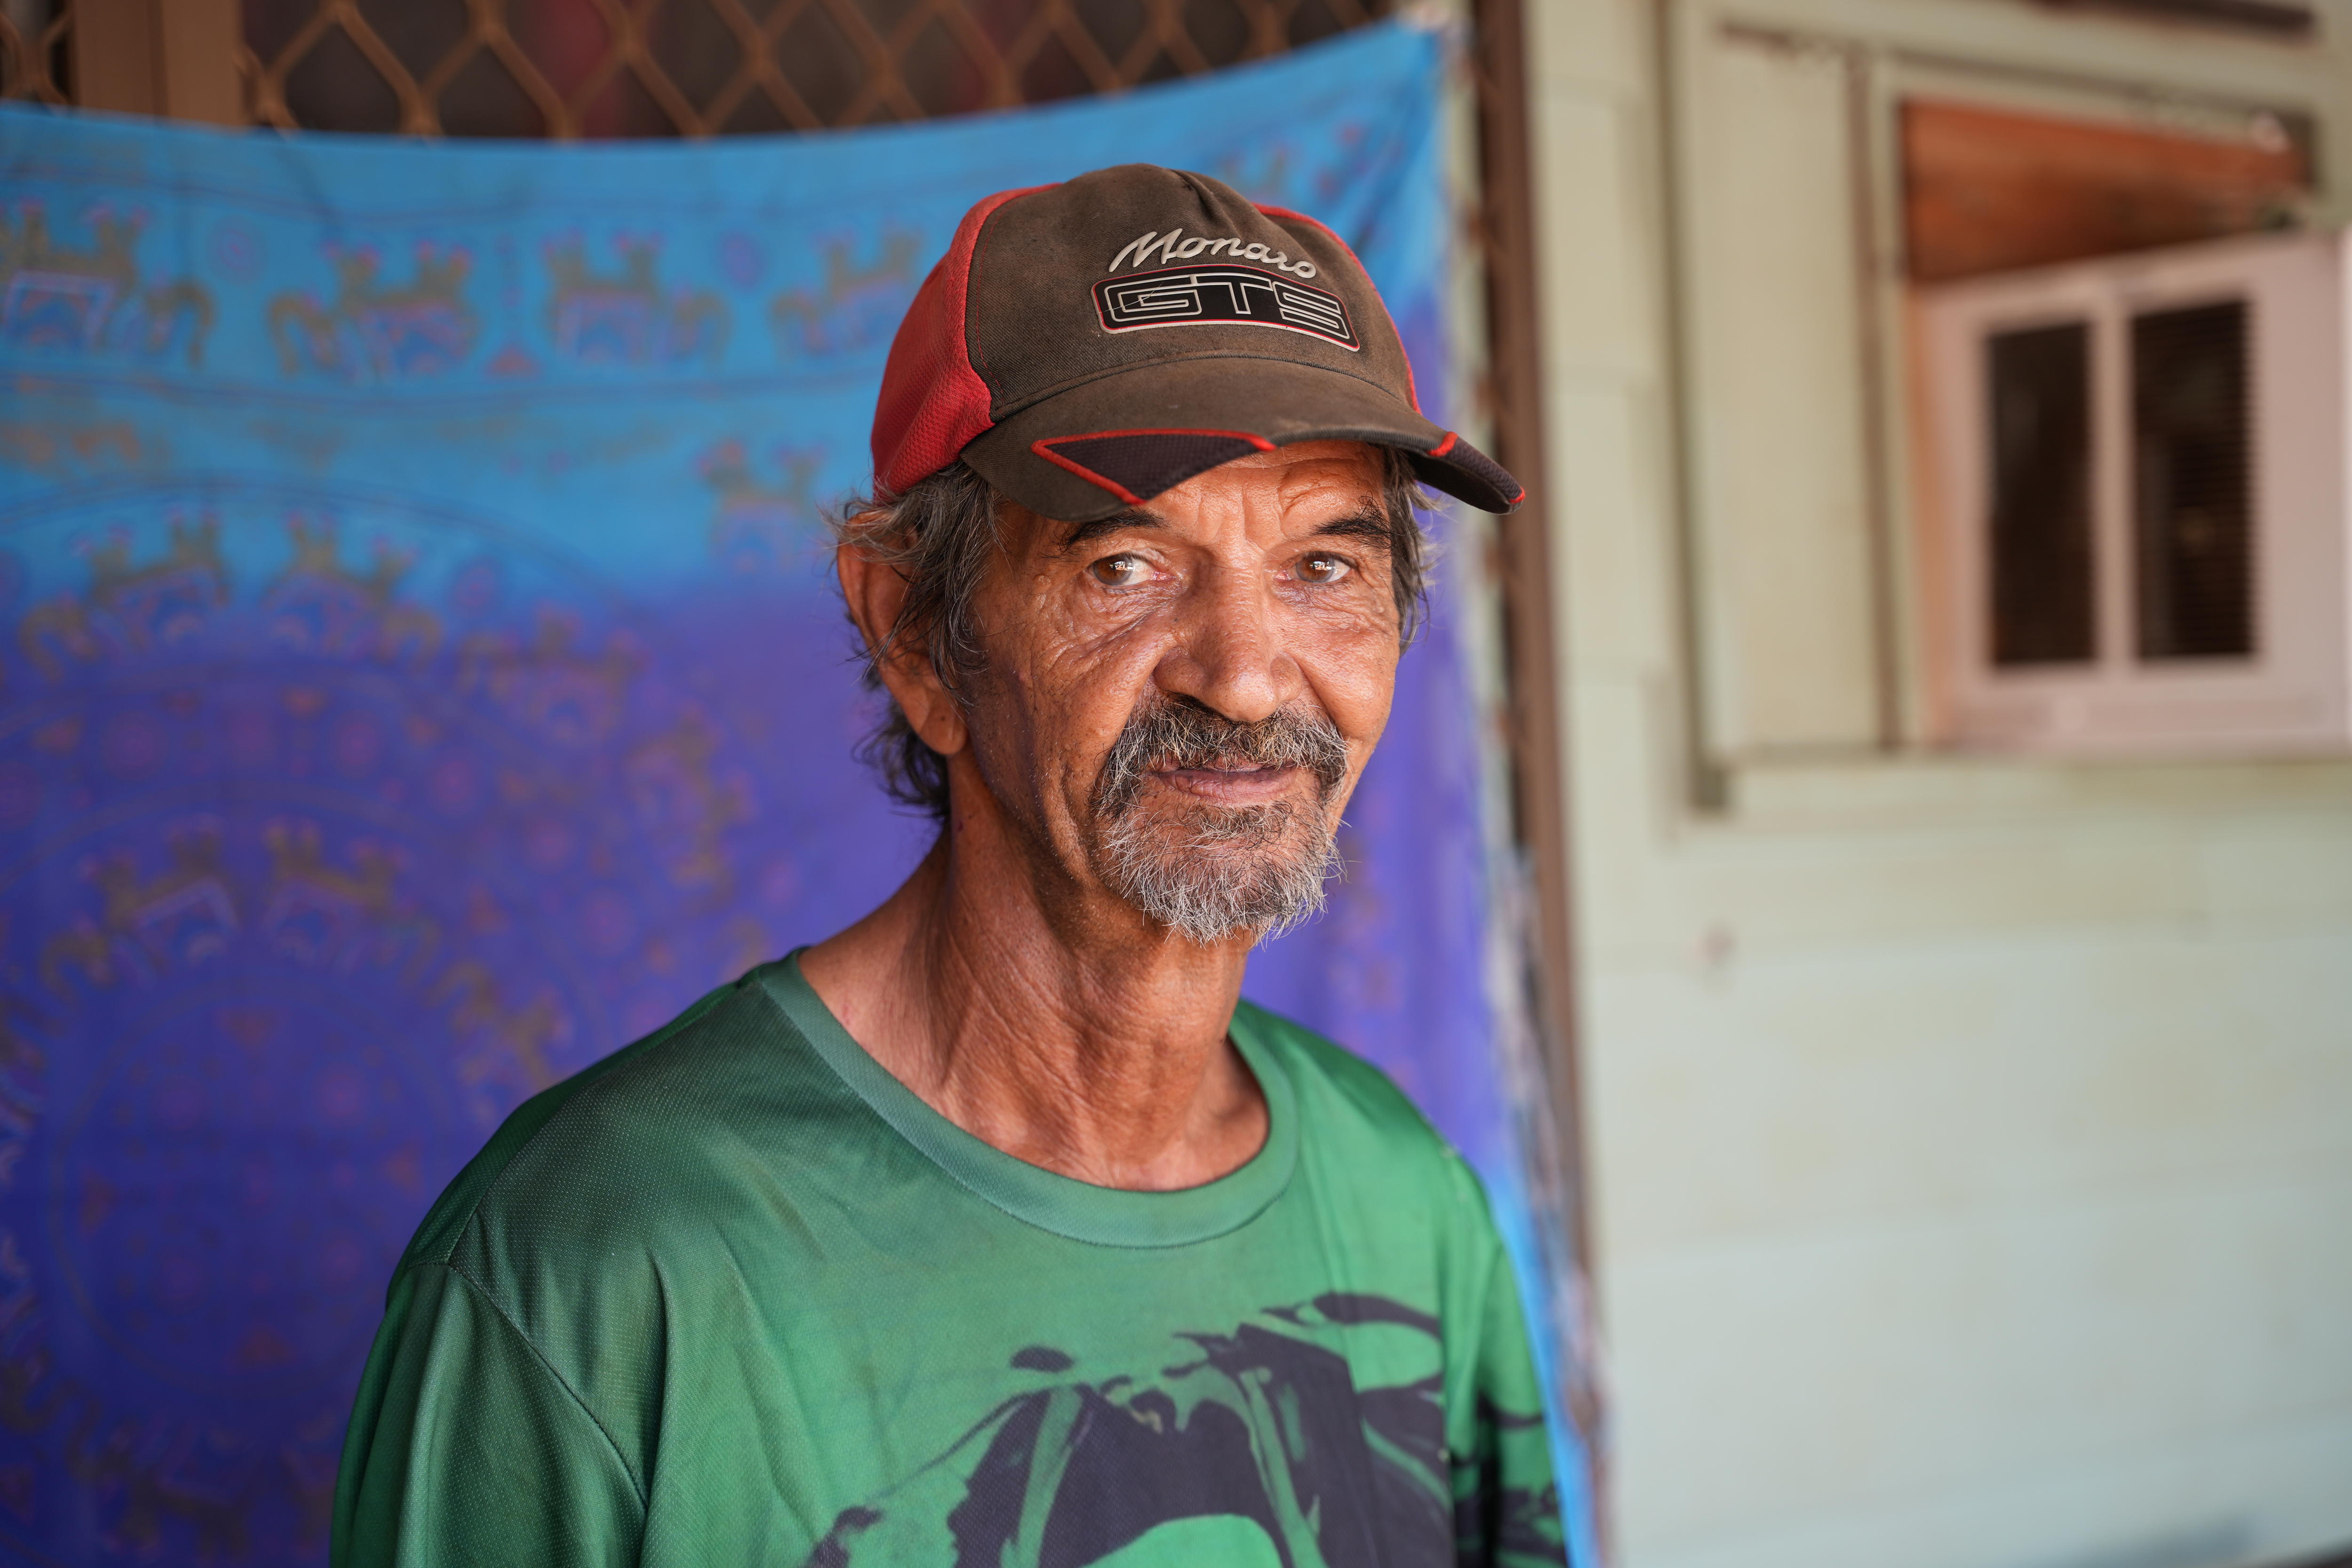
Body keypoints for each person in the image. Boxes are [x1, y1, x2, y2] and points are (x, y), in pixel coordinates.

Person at [331, 163, 1564, 1568]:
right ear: (917, 632)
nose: (1243, 675)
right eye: (1125, 565)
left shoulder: (1407, 1204)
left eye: (1325, 568)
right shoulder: (594, 1276)